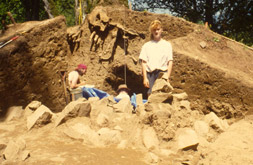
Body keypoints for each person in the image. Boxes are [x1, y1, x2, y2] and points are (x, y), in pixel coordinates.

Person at [139, 20, 173, 97]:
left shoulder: (167, 45)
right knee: (150, 95)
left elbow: (170, 62)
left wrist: (167, 76)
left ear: (161, 30)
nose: (156, 31)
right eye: (154, 30)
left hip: (162, 73)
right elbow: (144, 63)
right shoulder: (146, 46)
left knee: (162, 95)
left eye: (158, 29)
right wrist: (145, 78)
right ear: (151, 31)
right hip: (150, 74)